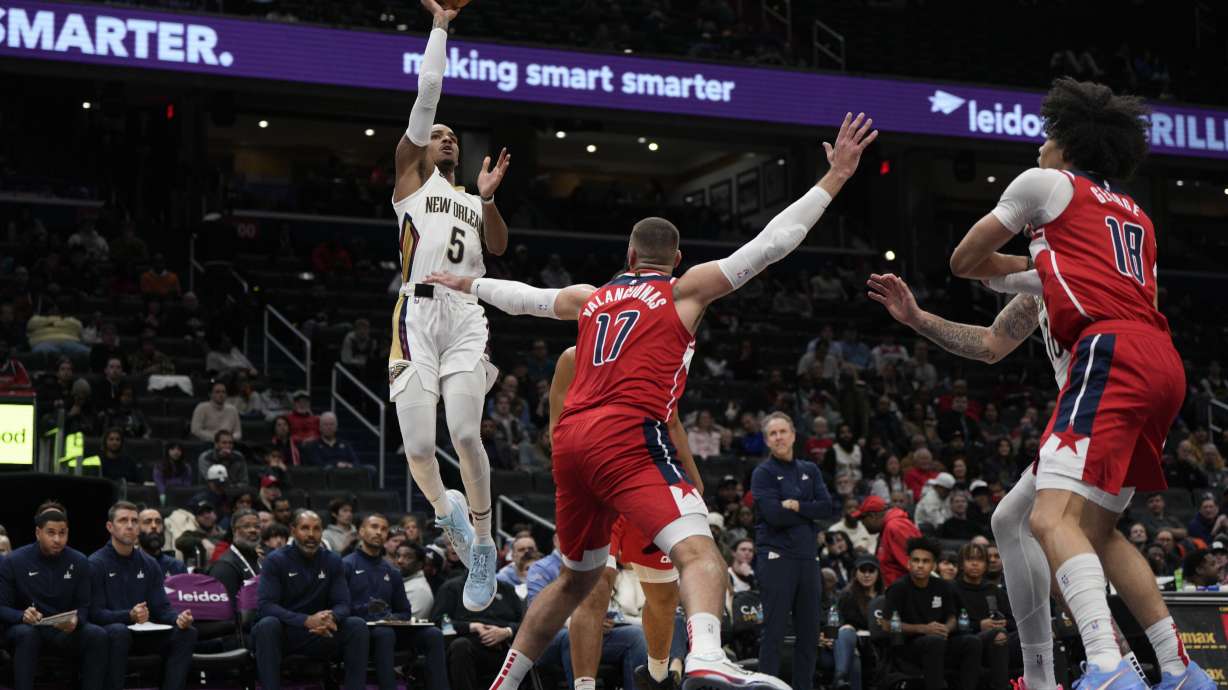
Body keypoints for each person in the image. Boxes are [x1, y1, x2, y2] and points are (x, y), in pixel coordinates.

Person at [425, 111, 877, 690]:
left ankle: (504, 683)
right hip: (625, 434)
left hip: (571, 442)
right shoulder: (683, 291)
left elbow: (526, 298)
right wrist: (835, 177)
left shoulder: (594, 295)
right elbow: (773, 244)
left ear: (629, 255)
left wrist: (469, 283)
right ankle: (709, 655)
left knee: (574, 580)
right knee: (699, 551)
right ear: (677, 258)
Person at [947, 77, 1210, 690]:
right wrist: (1031, 261)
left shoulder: (1044, 186)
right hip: (1163, 361)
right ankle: (1179, 670)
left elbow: (964, 261)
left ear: (1066, 141)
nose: (1038, 145)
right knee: (1097, 530)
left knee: (1047, 519)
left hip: (1109, 350)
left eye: (1046, 136)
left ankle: (1107, 666)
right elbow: (1059, 271)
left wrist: (1016, 254)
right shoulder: (1136, 215)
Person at [868, 268, 1184, 690]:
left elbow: (972, 258)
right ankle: (1138, 666)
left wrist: (991, 266)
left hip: (1107, 400)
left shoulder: (1075, 260)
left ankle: (1107, 665)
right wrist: (917, 318)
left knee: (1050, 527)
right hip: (1107, 404)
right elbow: (989, 344)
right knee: (1029, 524)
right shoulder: (1041, 270)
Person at [388, 0, 514, 613]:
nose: (446, 138)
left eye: (453, 138)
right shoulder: (410, 181)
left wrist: (489, 200)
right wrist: (440, 27)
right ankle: (450, 517)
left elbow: (497, 247)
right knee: (416, 448)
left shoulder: (469, 194)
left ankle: (485, 543)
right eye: (439, 134)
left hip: (466, 315)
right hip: (415, 315)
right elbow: (428, 93)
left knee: (464, 432)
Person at [545, 345, 701, 690]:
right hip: (596, 486)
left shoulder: (654, 354)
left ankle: (656, 674)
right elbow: (556, 429)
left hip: (646, 478)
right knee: (593, 588)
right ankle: (584, 686)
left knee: (662, 598)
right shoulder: (572, 358)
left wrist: (693, 479)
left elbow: (671, 419)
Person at [751, 411, 834, 690]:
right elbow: (774, 515)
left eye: (783, 431)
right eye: (773, 434)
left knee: (810, 635)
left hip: (807, 559)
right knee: (773, 632)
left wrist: (797, 506)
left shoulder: (810, 470)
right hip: (776, 558)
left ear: (794, 435)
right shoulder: (763, 473)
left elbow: (827, 507)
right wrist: (809, 511)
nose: (779, 437)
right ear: (766, 440)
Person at [251, 509, 370, 690]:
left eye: (316, 529)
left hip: (322, 632)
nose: (311, 535)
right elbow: (266, 606)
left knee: (357, 625)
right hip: (287, 633)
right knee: (267, 624)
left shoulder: (333, 560)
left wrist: (331, 618)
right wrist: (306, 621)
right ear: (293, 531)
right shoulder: (275, 560)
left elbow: (343, 603)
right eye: (305, 528)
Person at [0, 502, 108, 690]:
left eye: (63, 533)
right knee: (27, 634)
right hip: (26, 628)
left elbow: (84, 605)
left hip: (63, 630)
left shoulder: (80, 561)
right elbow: (2, 607)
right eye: (51, 533)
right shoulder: (13, 561)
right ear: (38, 533)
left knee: (97, 635)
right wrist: (22, 616)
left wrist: (76, 620)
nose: (57, 539)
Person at [90, 501, 197, 690]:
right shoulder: (95, 563)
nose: (130, 525)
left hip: (143, 634)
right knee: (118, 631)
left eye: (134, 521)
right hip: (112, 634)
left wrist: (178, 618)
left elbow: (161, 608)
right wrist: (128, 616)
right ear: (110, 527)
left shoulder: (149, 564)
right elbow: (94, 614)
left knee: (187, 633)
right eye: (123, 520)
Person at [345, 513, 448, 690]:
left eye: (384, 529)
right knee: (384, 633)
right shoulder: (346, 564)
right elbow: (339, 607)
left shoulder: (392, 571)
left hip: (387, 630)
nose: (379, 532)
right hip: (358, 634)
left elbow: (405, 612)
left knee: (433, 634)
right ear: (361, 531)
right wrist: (366, 610)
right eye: (374, 527)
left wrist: (391, 617)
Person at [882, 537, 981, 690]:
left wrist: (946, 628)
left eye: (925, 561)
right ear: (908, 563)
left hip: (940, 640)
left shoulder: (943, 586)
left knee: (972, 641)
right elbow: (887, 625)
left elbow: (952, 617)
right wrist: (923, 629)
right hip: (909, 646)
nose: (920, 565)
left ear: (934, 565)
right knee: (934, 641)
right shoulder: (898, 588)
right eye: (916, 560)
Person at [430, 569, 524, 690]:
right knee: (460, 646)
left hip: (504, 646)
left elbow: (524, 623)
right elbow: (439, 622)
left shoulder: (507, 589)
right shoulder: (452, 588)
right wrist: (472, 627)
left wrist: (506, 631)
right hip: (467, 645)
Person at [950, 543, 1010, 690]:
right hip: (962, 641)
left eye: (980, 560)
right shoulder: (951, 588)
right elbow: (948, 624)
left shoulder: (994, 590)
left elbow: (1011, 621)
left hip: (994, 638)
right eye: (970, 559)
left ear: (986, 565)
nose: (975, 563)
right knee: (995, 636)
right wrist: (979, 625)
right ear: (962, 564)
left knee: (1007, 636)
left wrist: (1003, 623)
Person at [828, 553, 881, 690]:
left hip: (879, 644)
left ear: (878, 573)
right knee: (852, 653)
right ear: (855, 573)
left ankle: (839, 678)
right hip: (853, 644)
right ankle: (839, 679)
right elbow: (837, 624)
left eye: (871, 570)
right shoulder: (847, 596)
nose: (867, 574)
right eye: (863, 570)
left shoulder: (885, 597)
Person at [850, 495, 920, 588]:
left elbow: (918, 566)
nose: (862, 524)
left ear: (873, 516)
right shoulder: (887, 527)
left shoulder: (895, 527)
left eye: (863, 519)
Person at [208, 508, 262, 600]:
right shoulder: (225, 566)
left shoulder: (260, 558)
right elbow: (225, 607)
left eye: (257, 526)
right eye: (246, 526)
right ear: (234, 530)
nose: (253, 530)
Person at [138, 507, 187, 576]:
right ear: (137, 529)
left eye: (158, 522)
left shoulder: (177, 566)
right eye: (147, 522)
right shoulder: (129, 564)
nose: (154, 526)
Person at [396, 542, 435, 616]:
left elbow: (407, 623)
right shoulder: (399, 581)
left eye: (408, 557)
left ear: (420, 564)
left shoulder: (420, 590)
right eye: (398, 555)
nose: (399, 561)